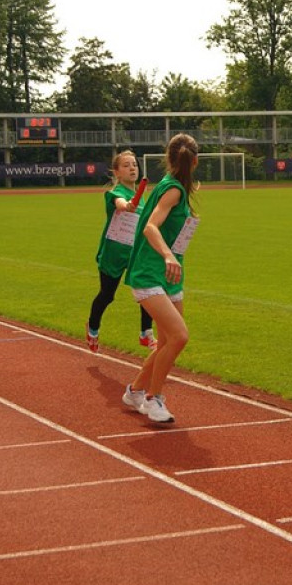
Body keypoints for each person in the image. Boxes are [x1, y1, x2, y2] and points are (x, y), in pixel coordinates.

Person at [122, 133, 200, 423]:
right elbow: (150, 227)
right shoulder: (172, 191)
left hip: (168, 274)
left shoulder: (173, 187)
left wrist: (171, 258)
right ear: (195, 160)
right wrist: (168, 255)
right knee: (179, 337)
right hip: (151, 271)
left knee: (167, 339)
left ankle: (135, 391)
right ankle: (153, 399)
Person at [86, 149, 157, 353]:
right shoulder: (114, 192)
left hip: (134, 253)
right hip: (113, 254)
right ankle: (92, 327)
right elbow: (120, 204)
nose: (132, 168)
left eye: (134, 164)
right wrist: (126, 205)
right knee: (107, 295)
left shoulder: (142, 197)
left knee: (147, 290)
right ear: (117, 172)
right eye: (126, 165)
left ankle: (146, 332)